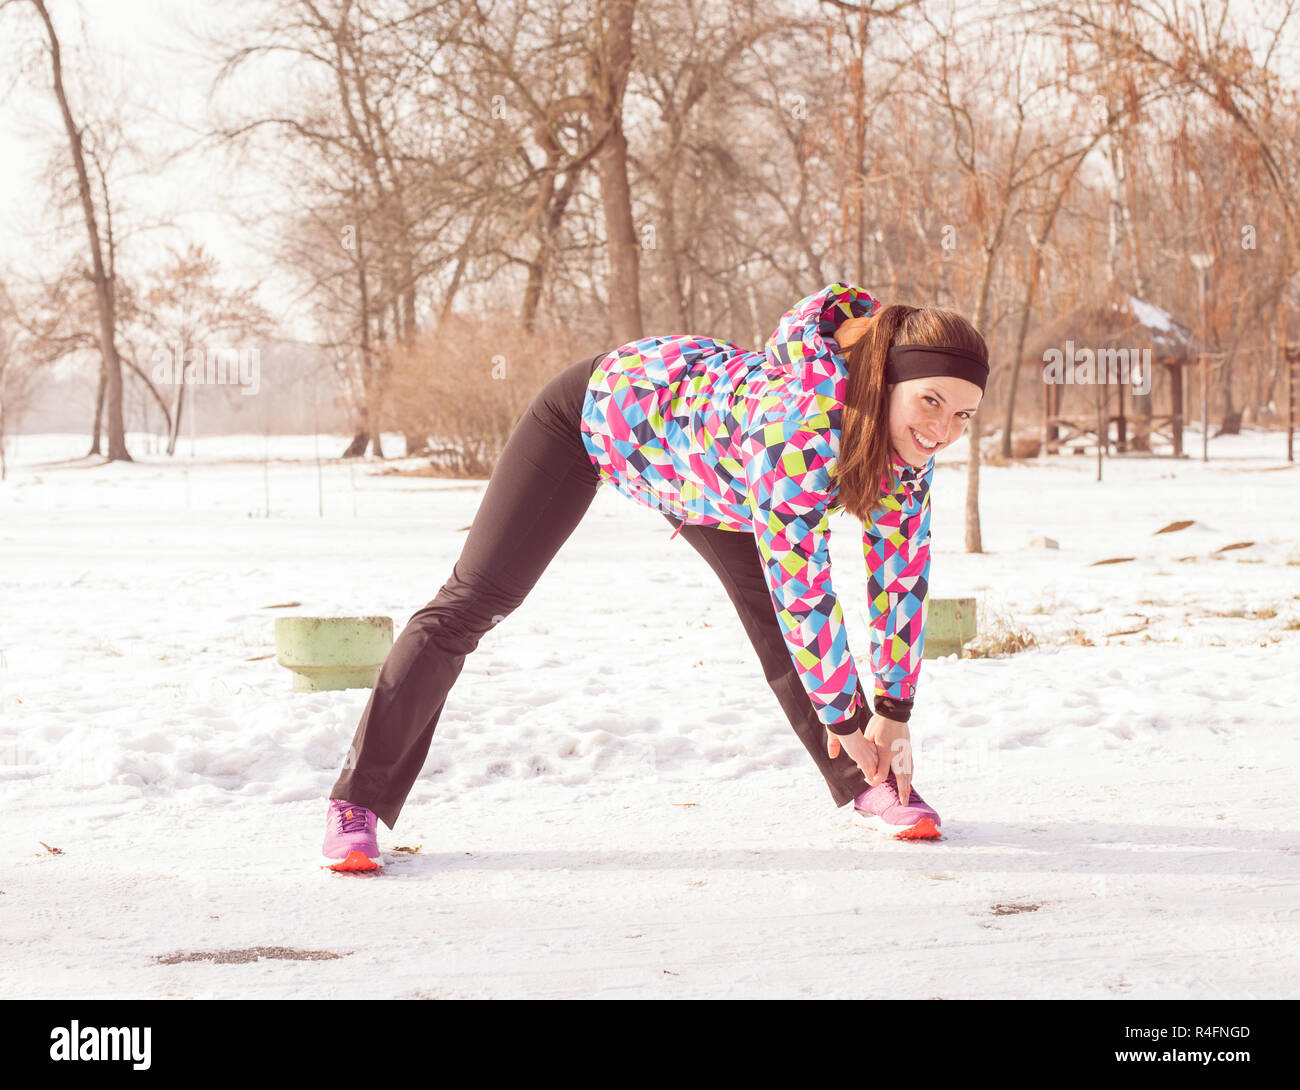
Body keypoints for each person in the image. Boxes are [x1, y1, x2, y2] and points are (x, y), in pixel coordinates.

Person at [322, 283, 987, 871]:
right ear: (887, 380)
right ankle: (356, 804)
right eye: (930, 402)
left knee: (781, 627)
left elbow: (900, 577)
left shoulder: (905, 450)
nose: (941, 430)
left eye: (962, 415)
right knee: (473, 603)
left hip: (712, 479)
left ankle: (868, 781)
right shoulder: (803, 424)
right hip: (593, 422)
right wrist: (849, 715)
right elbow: (805, 588)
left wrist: (893, 712)